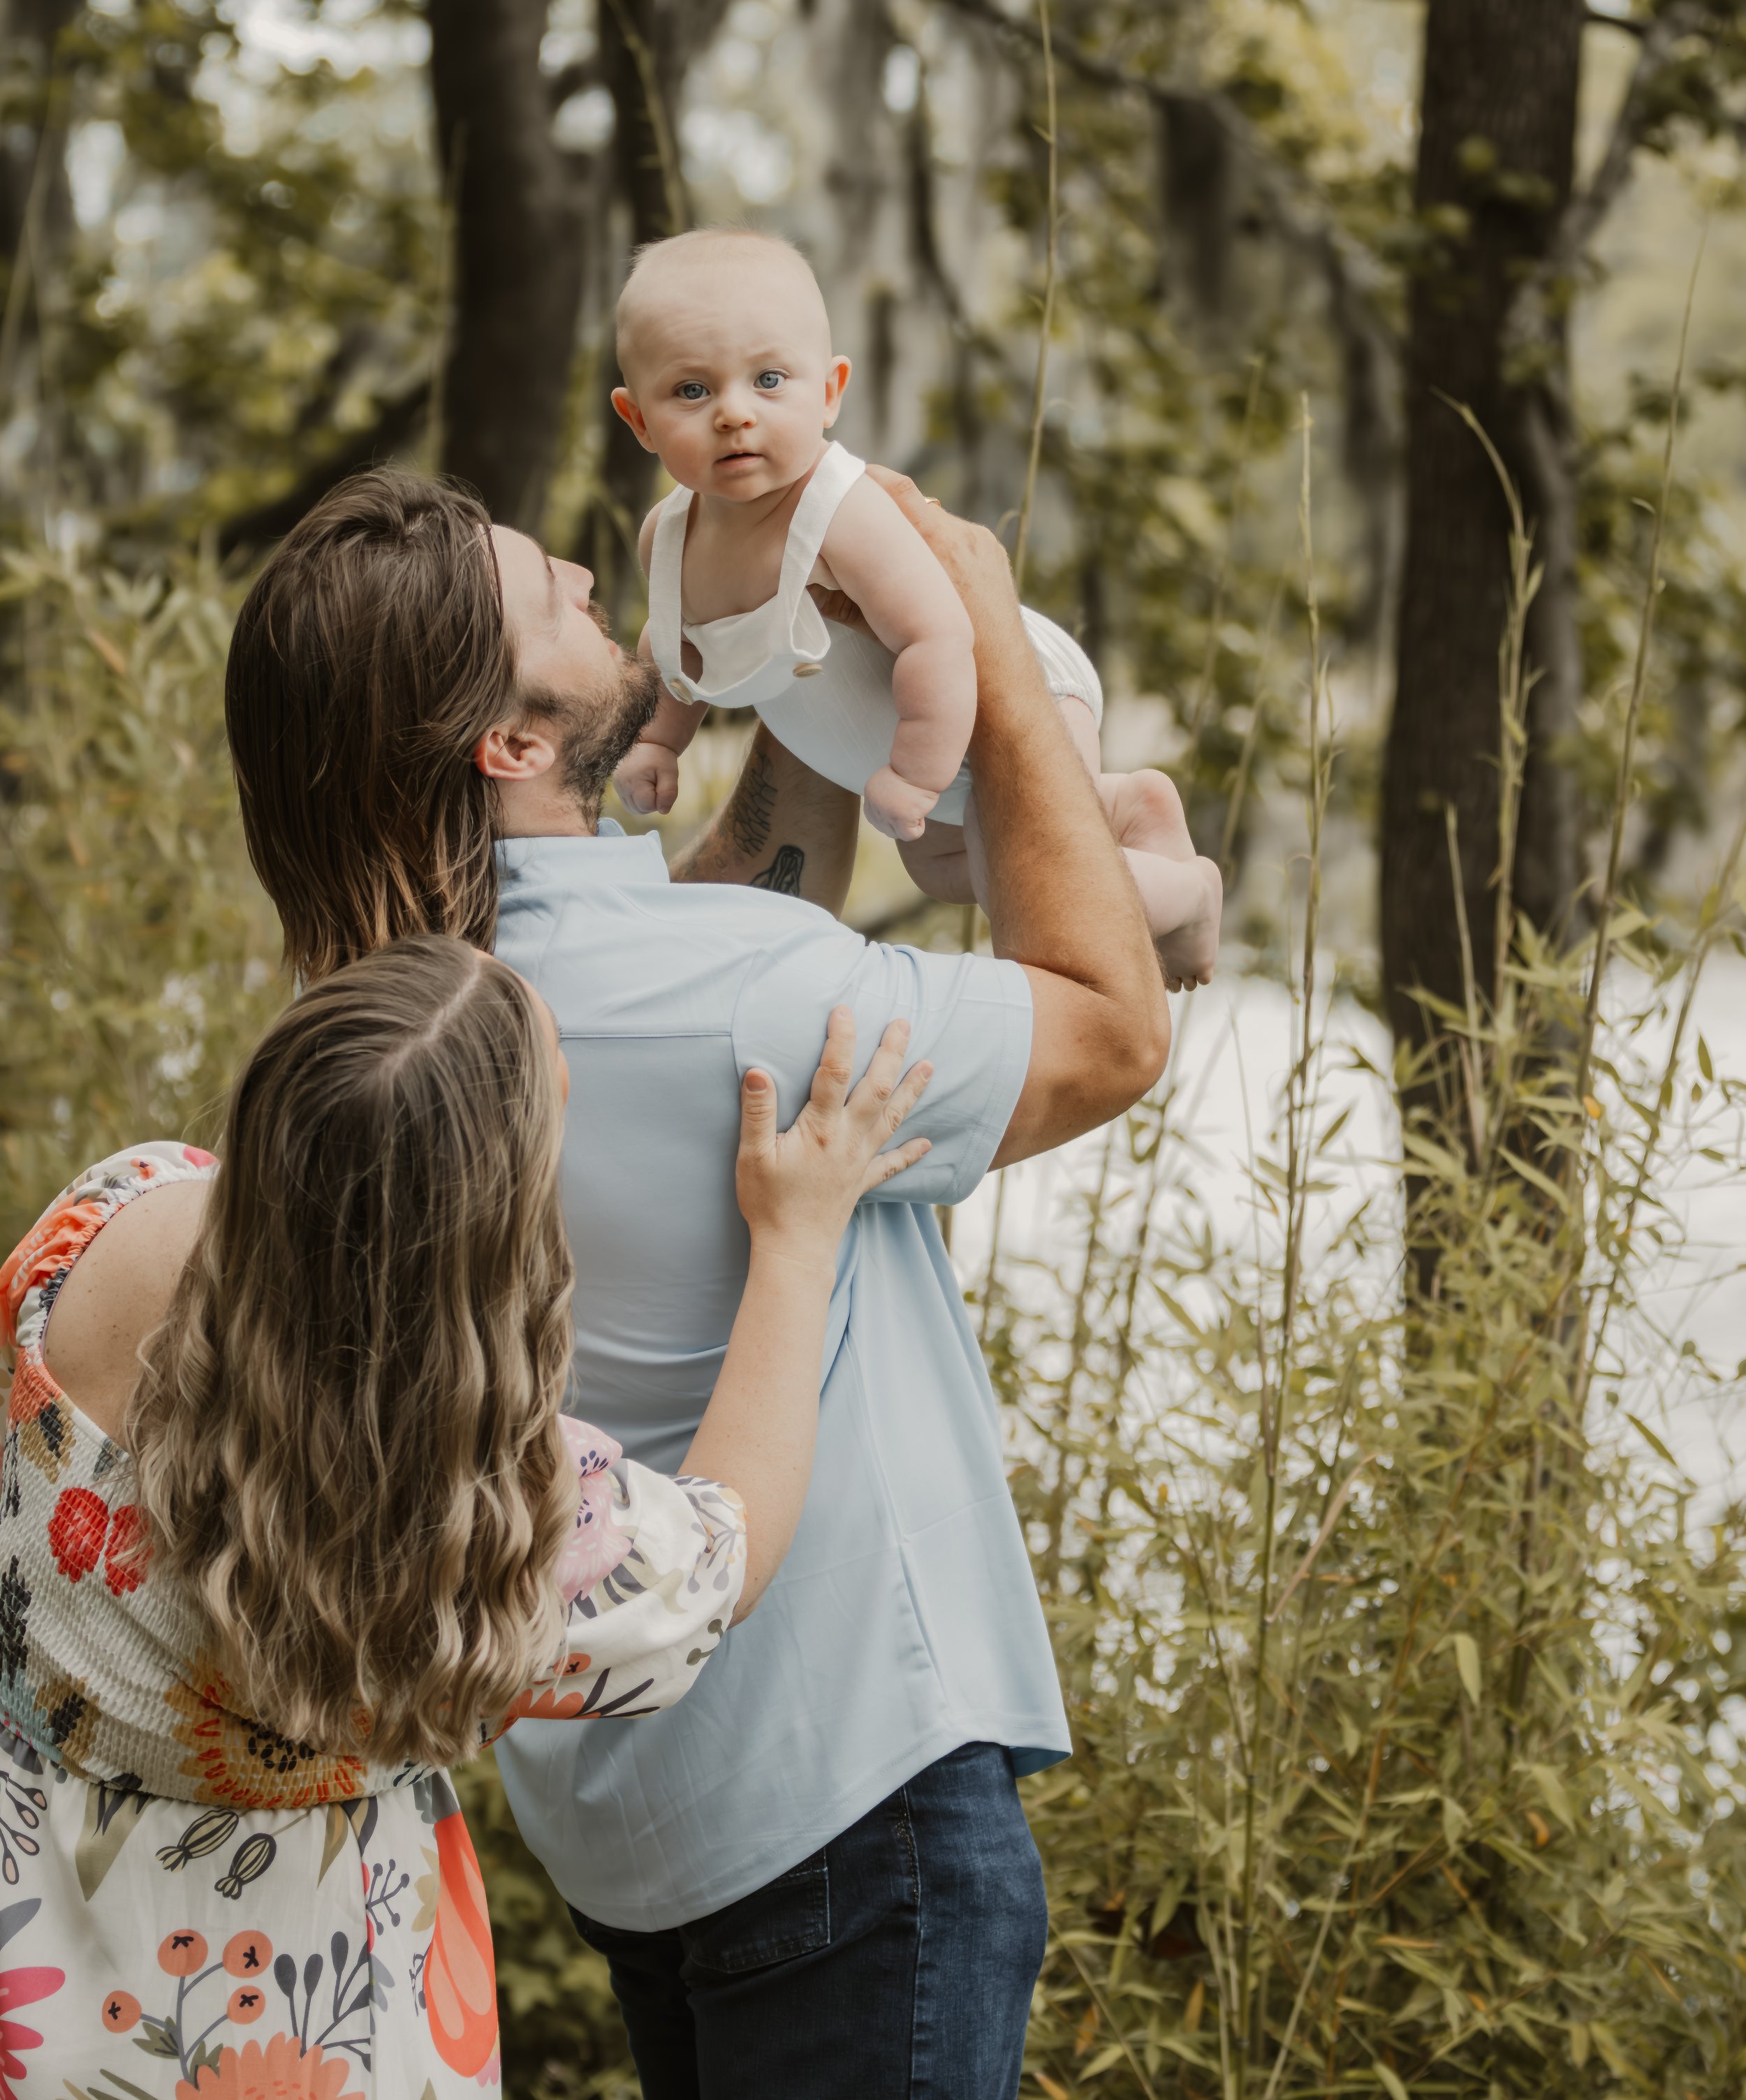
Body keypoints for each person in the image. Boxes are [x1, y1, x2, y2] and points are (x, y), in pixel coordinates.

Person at [223, 459, 1178, 2100]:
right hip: (855, 1815)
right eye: (554, 591)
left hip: (642, 1827)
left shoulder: (397, 1031)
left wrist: (790, 643)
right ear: (508, 742)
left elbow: (744, 903)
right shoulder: (737, 994)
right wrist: (982, 621)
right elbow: (1110, 1025)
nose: (599, 578)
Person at [0, 936, 927, 2090]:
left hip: (42, 2000)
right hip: (311, 2031)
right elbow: (718, 1556)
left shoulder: (99, 1227)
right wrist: (797, 1240)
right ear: (488, 1241)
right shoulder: (487, 1523)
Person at [610, 226, 1223, 987]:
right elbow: (678, 641)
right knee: (941, 868)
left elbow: (937, 636)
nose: (734, 413)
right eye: (692, 391)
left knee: (1031, 886)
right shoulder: (668, 535)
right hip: (919, 747)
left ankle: (1189, 891)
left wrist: (916, 771)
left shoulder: (839, 513)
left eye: (769, 381)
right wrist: (660, 741)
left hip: (1007, 689)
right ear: (638, 420)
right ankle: (1121, 812)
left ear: (830, 392)